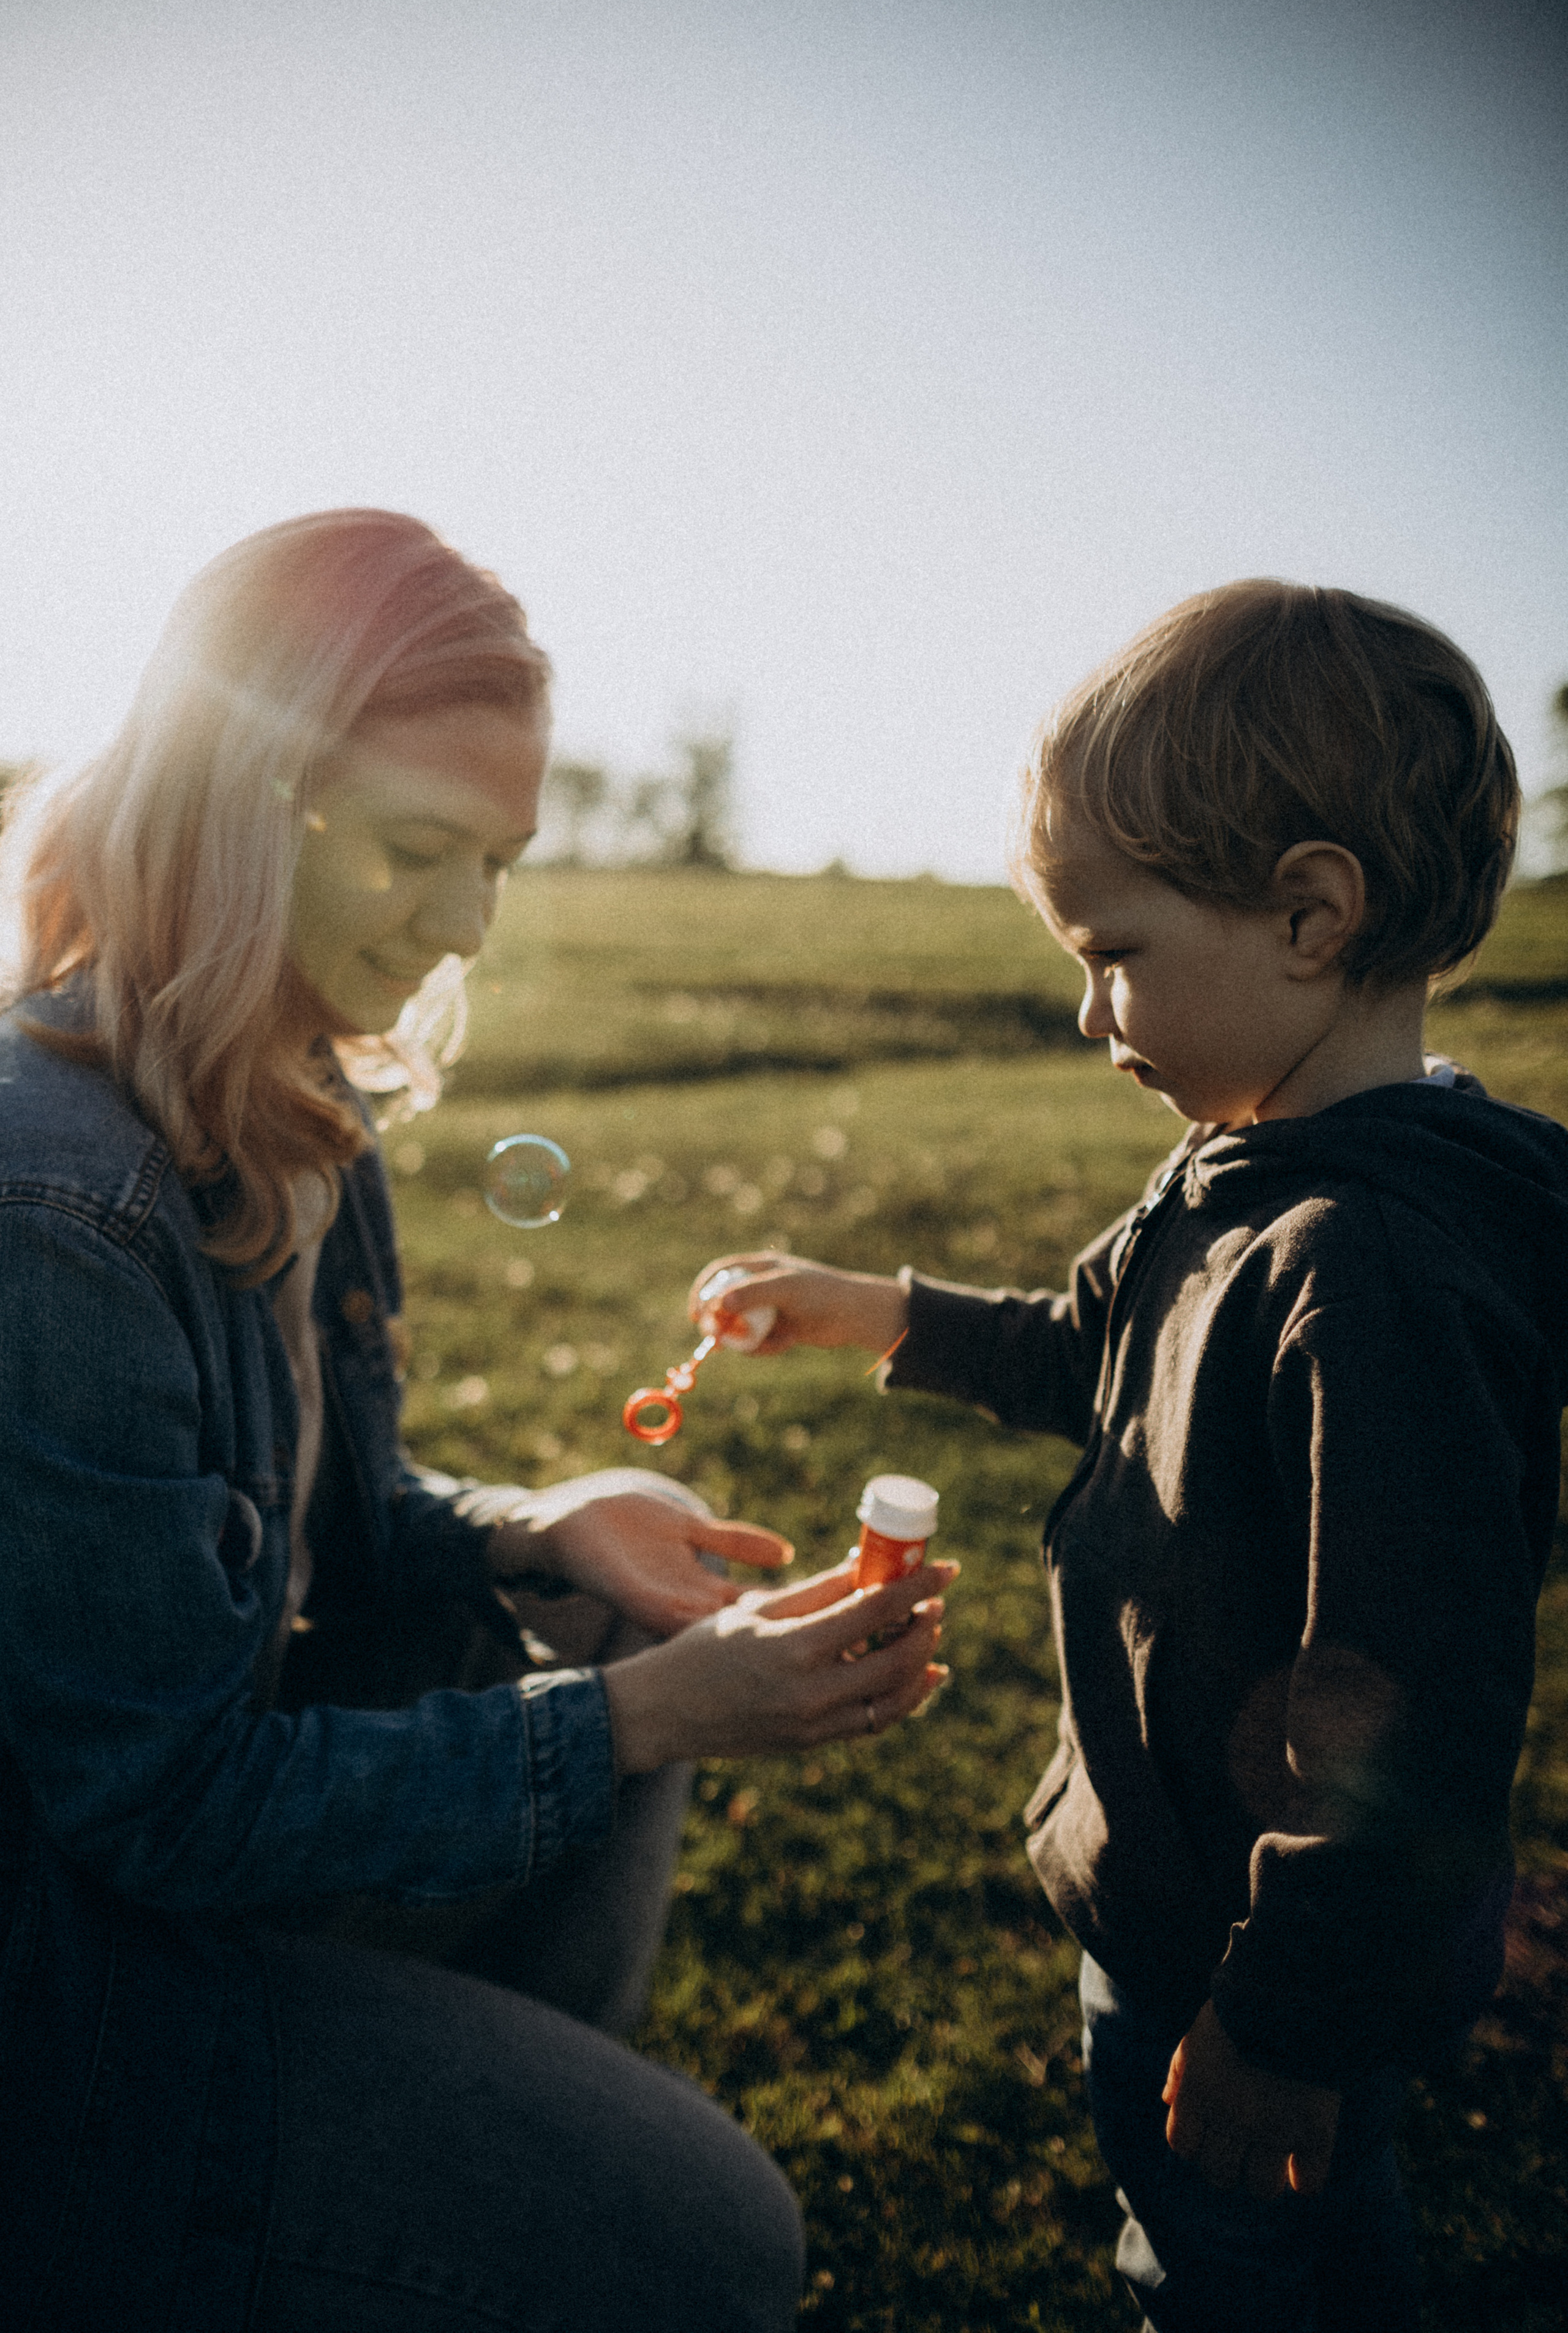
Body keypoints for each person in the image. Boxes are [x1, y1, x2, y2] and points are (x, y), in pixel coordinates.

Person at [0, 509, 954, 2333]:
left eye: (500, 860)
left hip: (148, 1882)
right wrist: (639, 1723)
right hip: (62, 1997)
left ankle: (433, 2180)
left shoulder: (286, 1105)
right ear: (233, 808)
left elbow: (307, 1527)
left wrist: (537, 1522)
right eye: (420, 850)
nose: (467, 927)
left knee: (607, 1613)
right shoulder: (55, 1210)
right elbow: (158, 1805)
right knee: (716, 2246)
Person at [691, 581, 1568, 2332]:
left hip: (1262, 1969)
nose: (1095, 1016)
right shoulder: (1233, 1173)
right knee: (1267, 2254)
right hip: (1183, 1913)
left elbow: (1416, 1705)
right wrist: (880, 1310)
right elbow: (1099, 1348)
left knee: (1243, 2272)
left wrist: (1284, 2024)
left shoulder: (1370, 1266)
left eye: (1115, 955)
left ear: (1313, 914)